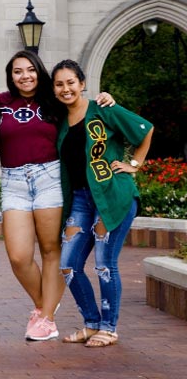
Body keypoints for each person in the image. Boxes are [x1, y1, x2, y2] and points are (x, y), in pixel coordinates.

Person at [0, 51, 116, 341]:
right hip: (13, 180)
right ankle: (44, 303)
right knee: (18, 256)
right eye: (17, 71)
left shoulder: (54, 102)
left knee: (51, 250)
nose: (24, 76)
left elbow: (87, 112)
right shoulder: (0, 103)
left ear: (39, 71)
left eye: (30, 70)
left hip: (49, 178)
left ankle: (46, 318)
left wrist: (107, 99)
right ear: (10, 76)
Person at [52, 59, 153, 348]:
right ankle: (91, 323)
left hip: (112, 195)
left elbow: (145, 129)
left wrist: (134, 163)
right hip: (82, 200)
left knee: (104, 264)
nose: (66, 88)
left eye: (71, 82)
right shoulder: (60, 121)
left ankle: (109, 328)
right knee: (69, 265)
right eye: (59, 84)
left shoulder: (103, 108)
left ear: (82, 84)